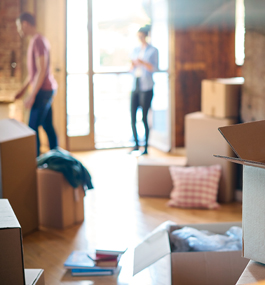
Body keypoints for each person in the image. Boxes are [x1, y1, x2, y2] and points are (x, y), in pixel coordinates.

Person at [15, 12, 58, 156]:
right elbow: (34, 72)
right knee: (48, 127)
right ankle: (56, 157)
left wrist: (32, 95)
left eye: (19, 26)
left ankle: (36, 164)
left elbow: (42, 69)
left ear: (25, 24)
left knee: (32, 129)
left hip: (43, 90)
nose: (19, 30)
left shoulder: (38, 41)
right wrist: (23, 89)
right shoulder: (35, 40)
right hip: (45, 89)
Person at [130, 25, 158, 155]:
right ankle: (136, 145)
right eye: (138, 36)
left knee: (144, 117)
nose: (140, 38)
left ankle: (146, 147)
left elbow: (154, 68)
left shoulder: (153, 50)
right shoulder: (135, 49)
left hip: (147, 86)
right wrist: (133, 64)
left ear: (146, 35)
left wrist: (142, 62)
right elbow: (131, 68)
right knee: (132, 116)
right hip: (135, 84)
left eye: (142, 36)